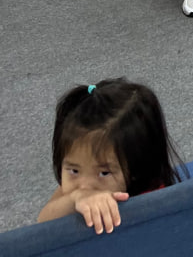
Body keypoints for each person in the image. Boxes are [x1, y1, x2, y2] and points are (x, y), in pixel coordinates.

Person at [38, 79, 180, 234]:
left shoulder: (155, 200)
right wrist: (73, 200)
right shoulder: (75, 190)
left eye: (104, 173)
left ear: (136, 169)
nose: (85, 186)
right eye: (74, 170)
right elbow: (42, 224)